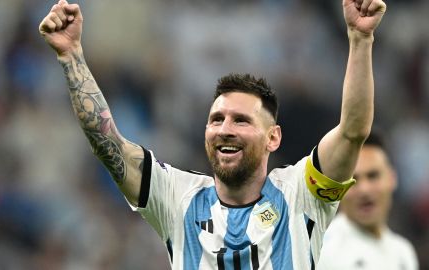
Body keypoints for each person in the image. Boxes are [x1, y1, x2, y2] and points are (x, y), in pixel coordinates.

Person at [38, 0, 386, 269]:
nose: (225, 130)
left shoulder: (301, 195)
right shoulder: (176, 197)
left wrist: (360, 38)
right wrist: (71, 56)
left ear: (273, 138)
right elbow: (106, 142)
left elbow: (353, 131)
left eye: (241, 121)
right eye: (216, 119)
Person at [317, 131, 419, 270]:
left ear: (392, 178)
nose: (364, 190)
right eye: (353, 180)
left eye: (373, 176)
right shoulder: (321, 251)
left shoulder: (403, 252)